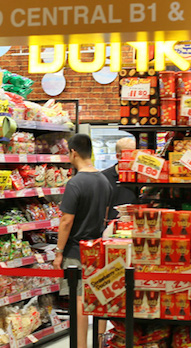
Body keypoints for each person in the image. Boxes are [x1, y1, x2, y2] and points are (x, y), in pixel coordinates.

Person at [53, 134, 112, 348]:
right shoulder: (104, 181)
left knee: (79, 300)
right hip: (97, 249)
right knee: (99, 297)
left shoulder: (75, 183)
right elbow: (105, 215)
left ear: (73, 152)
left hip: (76, 251)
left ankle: (80, 346)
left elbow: (66, 221)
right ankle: (100, 342)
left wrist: (59, 251)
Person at [101, 136, 138, 220]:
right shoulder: (104, 178)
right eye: (130, 154)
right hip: (112, 226)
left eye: (136, 154)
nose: (134, 159)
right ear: (118, 156)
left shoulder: (141, 178)